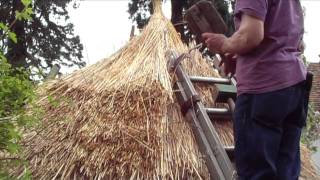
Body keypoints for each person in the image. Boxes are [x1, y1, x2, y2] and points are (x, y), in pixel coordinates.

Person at [202, 0, 307, 179]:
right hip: (294, 86)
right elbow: (294, 42)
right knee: (286, 174)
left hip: (263, 90)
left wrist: (224, 44)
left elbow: (251, 35)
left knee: (256, 174)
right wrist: (239, 54)